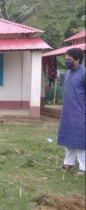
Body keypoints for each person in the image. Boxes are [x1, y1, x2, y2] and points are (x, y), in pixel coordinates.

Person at [57, 48, 85, 176]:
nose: (66, 61)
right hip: (67, 111)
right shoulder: (67, 73)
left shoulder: (84, 74)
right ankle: (68, 163)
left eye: (69, 59)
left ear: (77, 60)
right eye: (65, 59)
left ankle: (83, 167)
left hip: (80, 112)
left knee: (80, 140)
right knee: (68, 138)